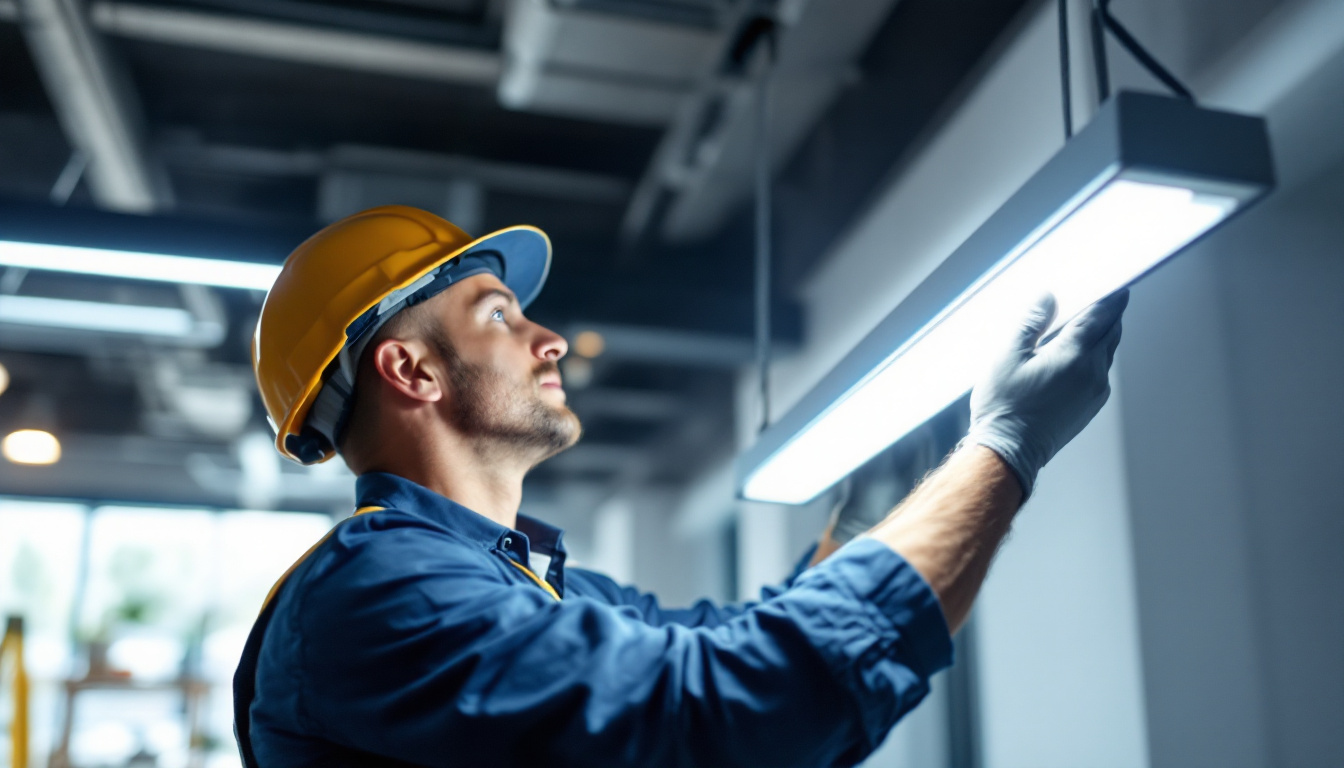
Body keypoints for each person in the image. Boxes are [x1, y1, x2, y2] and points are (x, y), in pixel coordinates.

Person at [236, 205, 1127, 768]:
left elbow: (730, 642)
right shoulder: (380, 596)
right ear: (411, 371)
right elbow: (712, 717)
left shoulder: (533, 587)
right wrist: (1005, 450)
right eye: (499, 314)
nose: (547, 340)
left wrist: (872, 508)